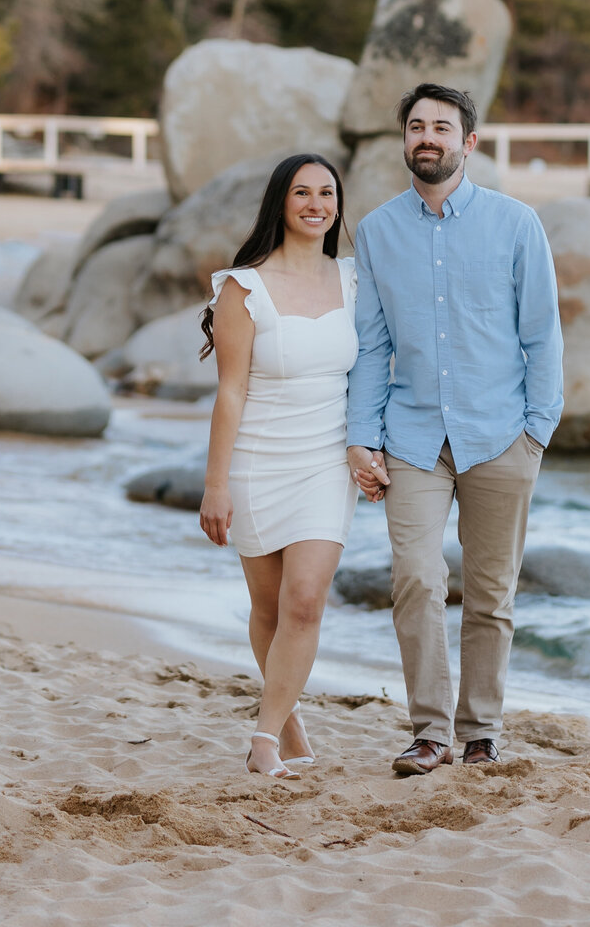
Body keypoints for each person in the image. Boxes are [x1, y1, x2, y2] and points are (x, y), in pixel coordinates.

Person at [346, 82, 563, 775]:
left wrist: (537, 432)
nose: (428, 137)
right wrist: (361, 435)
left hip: (501, 436)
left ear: (469, 142)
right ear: (403, 141)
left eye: (442, 126)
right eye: (416, 126)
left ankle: (481, 732)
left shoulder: (516, 224)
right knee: (413, 577)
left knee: (491, 596)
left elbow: (544, 336)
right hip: (410, 438)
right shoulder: (377, 231)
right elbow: (373, 345)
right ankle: (430, 731)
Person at [199, 152, 357, 779]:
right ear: (280, 203)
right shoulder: (244, 288)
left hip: (326, 460)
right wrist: (215, 484)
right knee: (267, 609)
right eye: (302, 193)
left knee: (304, 602)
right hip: (258, 460)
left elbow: (372, 372)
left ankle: (262, 738)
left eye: (327, 192)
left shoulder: (352, 281)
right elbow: (230, 392)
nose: (316, 204)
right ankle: (288, 722)